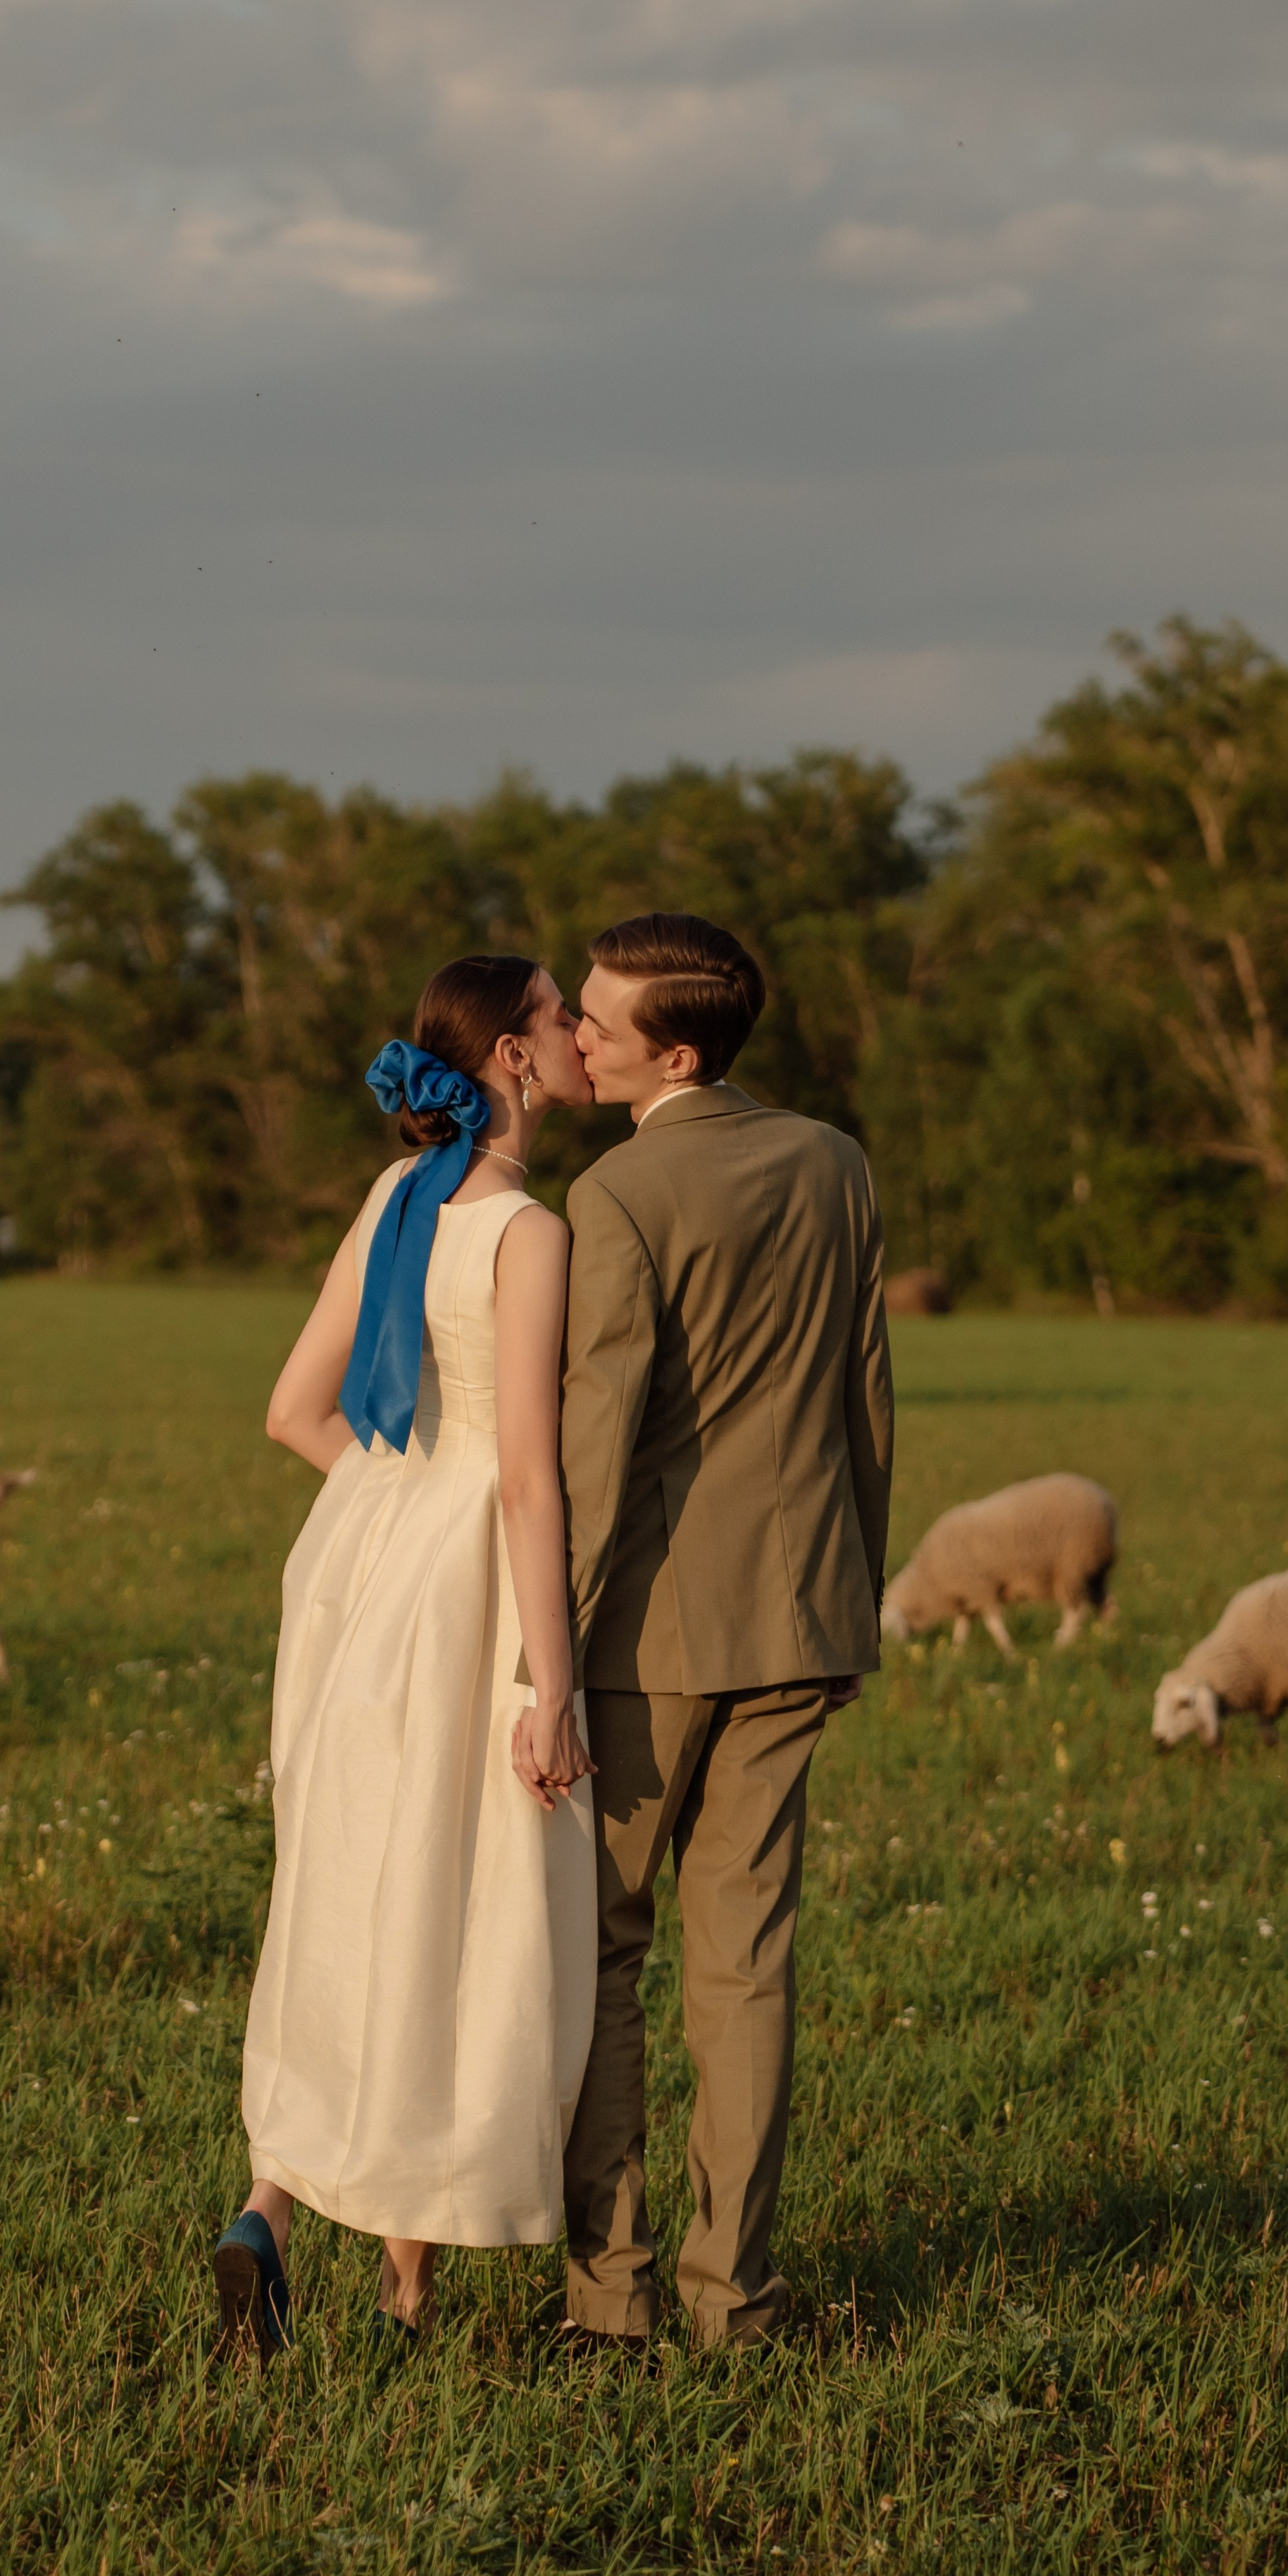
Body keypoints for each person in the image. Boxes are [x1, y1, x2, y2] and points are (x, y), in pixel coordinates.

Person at [515, 911, 894, 2350]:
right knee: (745, 1970)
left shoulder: (614, 1195)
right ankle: (732, 2298)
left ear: (675, 1049)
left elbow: (598, 1444)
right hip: (802, 1614)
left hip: (640, 1644)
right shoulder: (833, 1162)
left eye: (601, 1022)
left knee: (604, 1958)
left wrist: (547, 1657)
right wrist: (849, 1599)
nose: (580, 1040)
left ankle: (607, 2301)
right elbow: (865, 1396)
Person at [213, 954, 599, 2359]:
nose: (579, 1035)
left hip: (351, 1572)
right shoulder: (525, 1231)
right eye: (561, 1017)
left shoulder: (393, 1197)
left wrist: (387, 1493)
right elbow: (526, 1485)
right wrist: (548, 1687)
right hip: (466, 1591)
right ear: (509, 1054)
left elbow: (289, 1412)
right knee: (460, 1903)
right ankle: (403, 2289)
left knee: (345, 1884)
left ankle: (266, 2206)